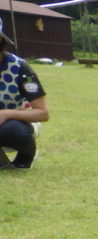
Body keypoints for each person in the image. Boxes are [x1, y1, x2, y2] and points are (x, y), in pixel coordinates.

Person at [0, 20, 48, 170]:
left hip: (15, 122)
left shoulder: (20, 68)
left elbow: (42, 113)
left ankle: (24, 159)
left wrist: (6, 114)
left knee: (15, 130)